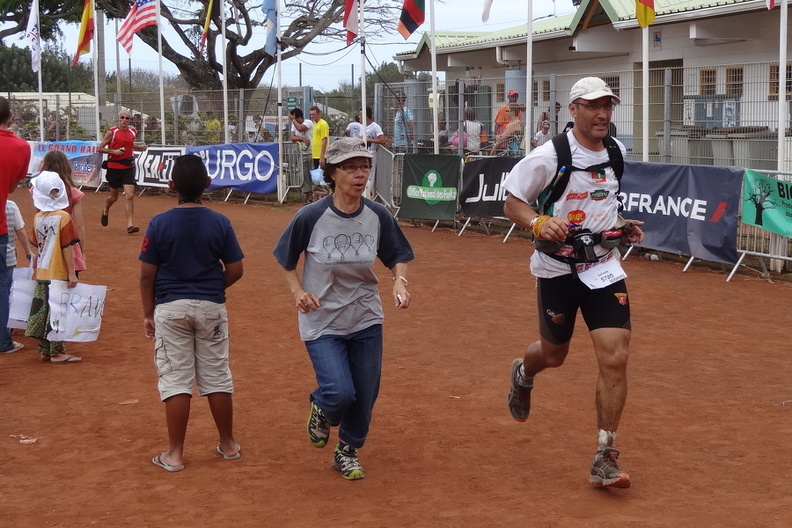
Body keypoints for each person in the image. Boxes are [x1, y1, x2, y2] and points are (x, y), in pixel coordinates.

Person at [502, 77, 645, 489]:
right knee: (554, 354)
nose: (602, 114)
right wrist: (538, 222)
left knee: (616, 357)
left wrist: (621, 226)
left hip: (603, 269)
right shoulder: (550, 155)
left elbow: (605, 203)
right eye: (593, 106)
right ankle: (523, 373)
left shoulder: (615, 151)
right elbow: (512, 202)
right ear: (574, 110)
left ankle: (605, 454)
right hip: (557, 271)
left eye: (608, 106)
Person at [273, 137, 414, 481]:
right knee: (339, 392)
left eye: (364, 167)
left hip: (365, 317)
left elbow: (397, 254)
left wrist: (399, 281)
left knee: (364, 395)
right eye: (350, 168)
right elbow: (285, 258)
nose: (360, 174)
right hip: (322, 319)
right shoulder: (311, 216)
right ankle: (322, 407)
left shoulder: (377, 215)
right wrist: (297, 291)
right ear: (332, 173)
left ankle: (347, 451)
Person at [140, 154, 245, 472]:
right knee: (216, 375)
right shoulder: (220, 222)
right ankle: (228, 444)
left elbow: (147, 275)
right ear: (208, 184)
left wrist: (149, 313)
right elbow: (236, 269)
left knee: (176, 379)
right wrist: (212, 287)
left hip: (171, 307)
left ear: (171, 185)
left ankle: (175, 454)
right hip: (211, 306)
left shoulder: (159, 223)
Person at [26, 171, 81, 364]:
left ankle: (44, 350)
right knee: (58, 312)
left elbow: (36, 243)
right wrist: (72, 273)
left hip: (42, 270)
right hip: (58, 272)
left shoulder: (37, 217)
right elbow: (67, 246)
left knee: (42, 312)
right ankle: (57, 352)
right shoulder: (64, 217)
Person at [0, 96, 30, 355]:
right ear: (10, 117)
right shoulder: (21, 147)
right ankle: (3, 340)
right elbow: (10, 187)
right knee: (2, 285)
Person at [97, 110, 148, 234]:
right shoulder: (112, 132)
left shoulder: (133, 132)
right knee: (113, 197)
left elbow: (129, 145)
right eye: (122, 117)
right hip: (114, 167)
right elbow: (100, 148)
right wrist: (113, 152)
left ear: (130, 120)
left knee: (130, 195)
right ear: (118, 119)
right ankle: (105, 209)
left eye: (127, 118)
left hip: (128, 167)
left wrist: (139, 148)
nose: (124, 120)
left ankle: (130, 225)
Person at [40, 151, 87, 277]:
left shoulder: (37, 192)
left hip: (46, 243)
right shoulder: (73, 192)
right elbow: (79, 225)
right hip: (69, 244)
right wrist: (82, 251)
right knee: (69, 284)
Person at [4, 199, 31, 347]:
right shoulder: (11, 205)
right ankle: (6, 329)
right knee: (5, 293)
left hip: (8, 257)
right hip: (7, 257)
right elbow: (20, 230)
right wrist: (27, 251)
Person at [289, 108, 315, 203]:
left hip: (312, 153)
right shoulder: (294, 124)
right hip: (303, 153)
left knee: (315, 176)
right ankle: (309, 197)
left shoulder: (308, 122)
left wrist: (293, 120)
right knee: (305, 176)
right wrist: (302, 139)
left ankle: (317, 195)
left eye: (292, 116)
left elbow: (300, 128)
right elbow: (292, 137)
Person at [360, 107, 386, 198]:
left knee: (370, 175)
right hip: (362, 153)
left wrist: (369, 140)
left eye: (361, 115)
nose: (359, 117)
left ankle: (368, 195)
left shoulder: (375, 127)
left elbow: (382, 139)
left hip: (371, 153)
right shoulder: (362, 127)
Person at [309, 106, 329, 170]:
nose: (312, 116)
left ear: (319, 114)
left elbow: (324, 140)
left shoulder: (323, 124)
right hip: (315, 155)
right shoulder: (315, 124)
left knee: (322, 173)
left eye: (313, 114)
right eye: (311, 114)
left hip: (321, 156)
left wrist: (322, 157)